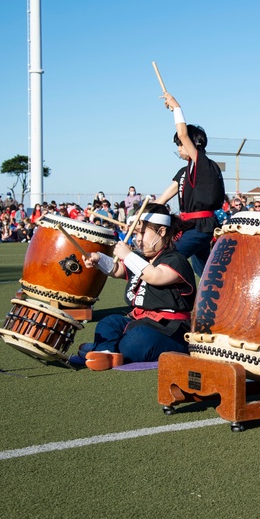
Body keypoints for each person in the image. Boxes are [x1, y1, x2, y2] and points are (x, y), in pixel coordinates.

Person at [74, 204, 196, 370]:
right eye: (137, 233)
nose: (138, 238)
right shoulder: (141, 259)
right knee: (108, 323)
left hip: (170, 330)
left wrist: (128, 255)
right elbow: (117, 269)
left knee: (137, 340)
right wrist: (98, 259)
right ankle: (104, 351)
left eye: (143, 232)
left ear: (161, 232)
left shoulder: (176, 260)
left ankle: (108, 349)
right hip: (140, 321)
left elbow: (154, 276)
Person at [155, 91, 226, 277]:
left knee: (170, 257)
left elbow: (183, 133)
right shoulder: (183, 172)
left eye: (180, 144)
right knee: (204, 272)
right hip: (190, 225)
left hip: (201, 226)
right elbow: (162, 199)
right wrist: (142, 215)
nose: (179, 148)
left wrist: (176, 108)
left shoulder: (202, 164)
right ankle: (206, 301)